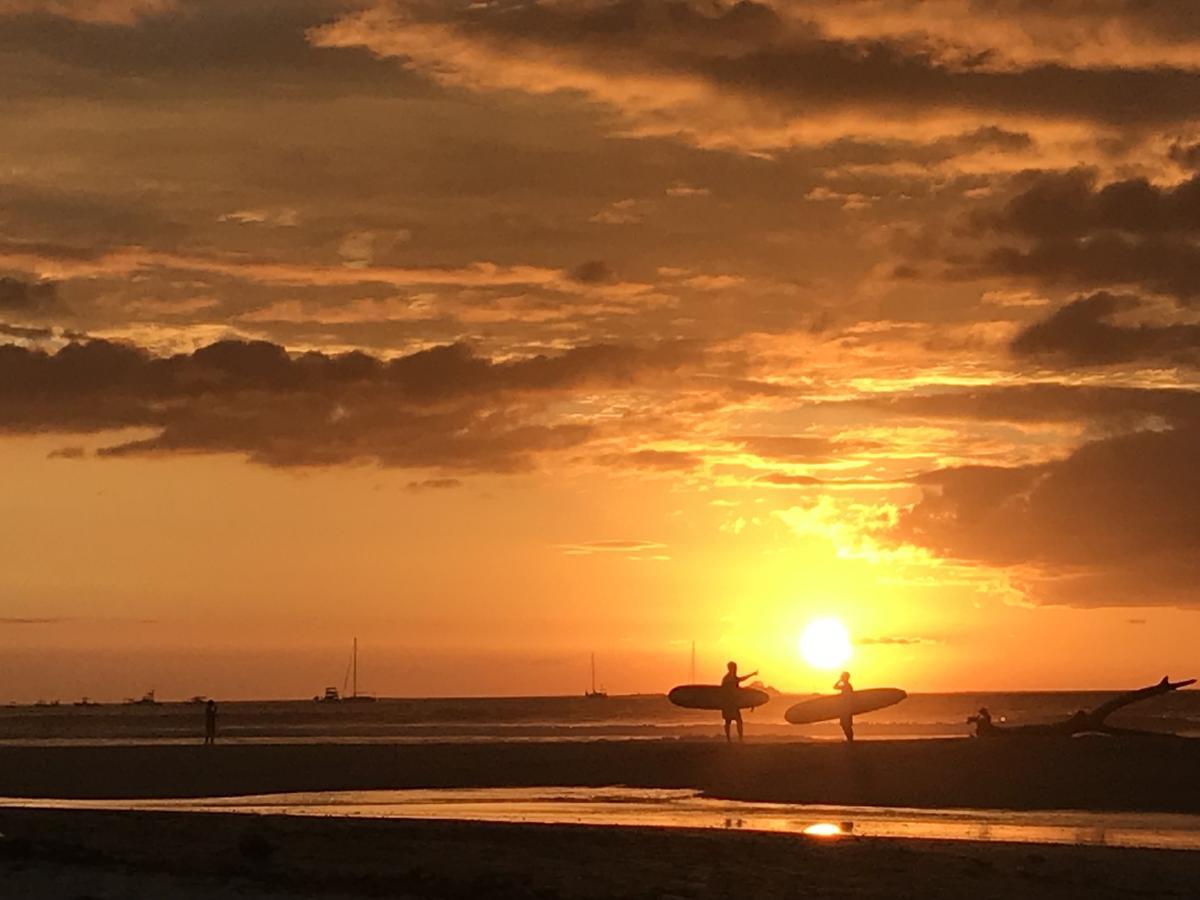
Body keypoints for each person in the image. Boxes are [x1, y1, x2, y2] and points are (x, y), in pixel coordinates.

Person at [720, 661, 758, 743]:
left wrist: (752, 674)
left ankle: (739, 739)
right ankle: (729, 739)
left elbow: (742, 680)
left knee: (738, 721)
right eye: (733, 667)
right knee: (729, 721)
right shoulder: (727, 678)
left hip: (733, 704)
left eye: (735, 667)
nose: (735, 669)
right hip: (728, 704)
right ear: (730, 668)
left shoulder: (732, 678)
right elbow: (723, 692)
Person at [834, 671, 854, 742]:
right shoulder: (846, 686)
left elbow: (835, 686)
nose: (842, 678)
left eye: (842, 677)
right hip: (844, 709)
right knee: (844, 724)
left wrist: (839, 680)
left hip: (846, 709)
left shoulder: (847, 686)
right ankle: (849, 739)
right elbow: (834, 687)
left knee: (847, 725)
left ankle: (850, 740)